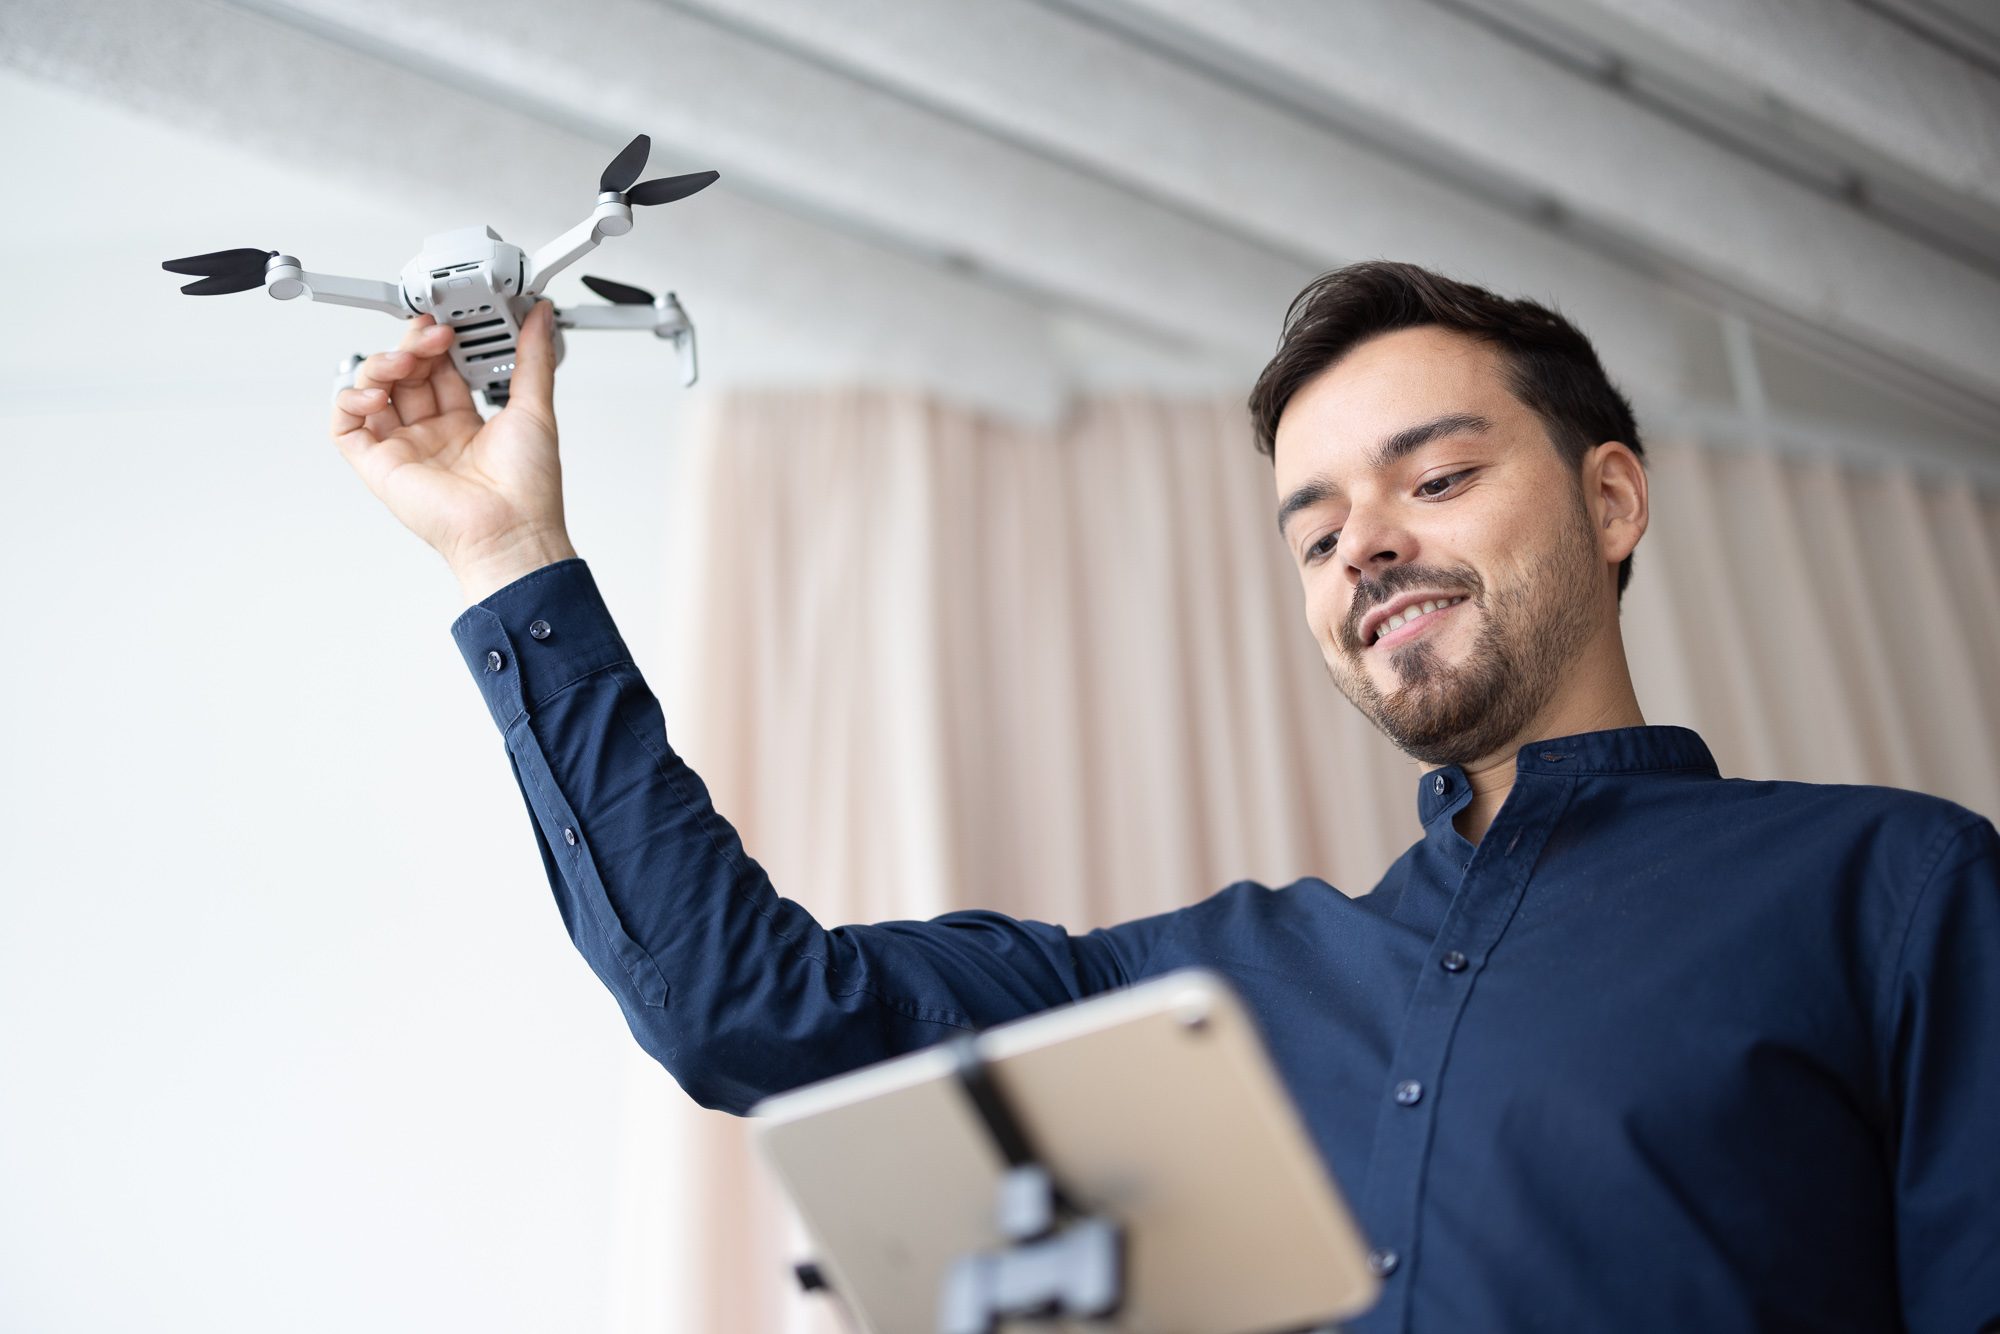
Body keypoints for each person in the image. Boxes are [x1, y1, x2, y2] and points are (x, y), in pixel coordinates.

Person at [329, 261, 1999, 1332]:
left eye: (1438, 475)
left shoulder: (1894, 890)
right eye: (1318, 526)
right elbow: (734, 1011)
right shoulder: (1182, 999)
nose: (1372, 542)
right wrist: (506, 553)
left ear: (1610, 496)